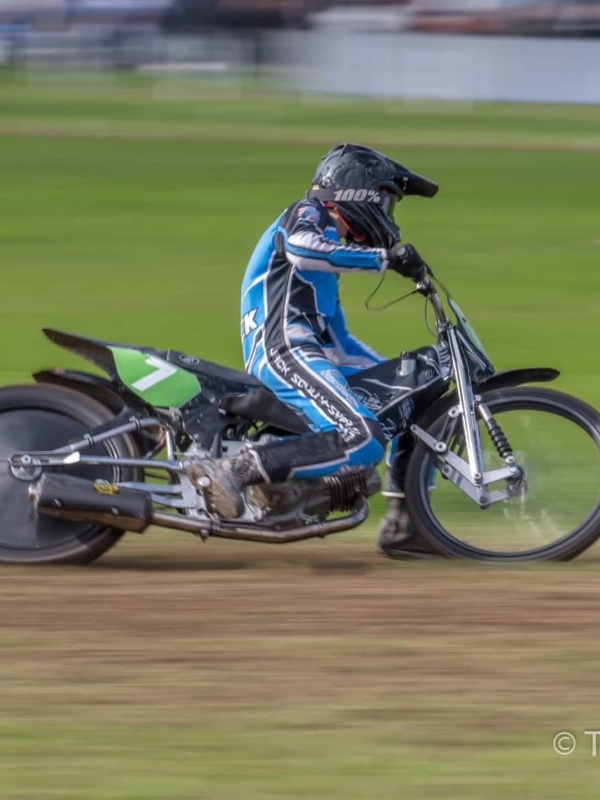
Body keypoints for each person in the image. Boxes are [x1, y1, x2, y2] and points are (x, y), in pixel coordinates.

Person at [188, 143, 440, 558]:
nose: (388, 215)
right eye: (385, 201)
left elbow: (339, 343)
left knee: (399, 407)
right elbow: (303, 249)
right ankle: (233, 472)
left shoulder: (326, 264)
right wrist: (383, 257)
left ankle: (406, 527)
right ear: (357, 191)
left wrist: (397, 376)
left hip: (303, 351)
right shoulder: (308, 214)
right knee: (361, 439)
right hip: (282, 349)